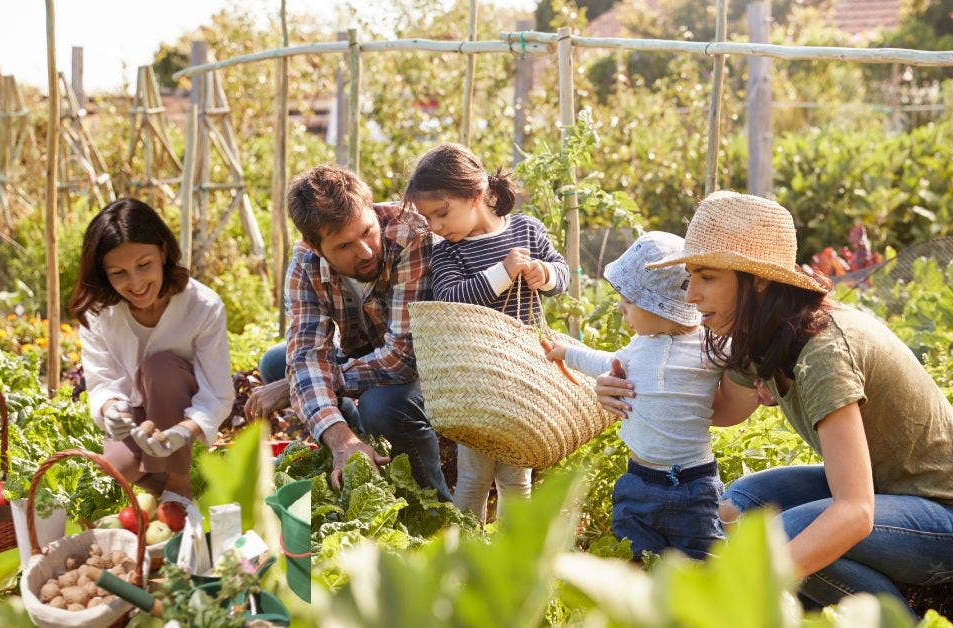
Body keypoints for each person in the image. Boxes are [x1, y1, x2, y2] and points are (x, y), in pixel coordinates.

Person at [598, 191, 953, 608]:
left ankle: (896, 619)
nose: (690, 296)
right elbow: (721, 411)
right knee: (741, 506)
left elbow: (854, 512)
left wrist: (741, 593)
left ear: (757, 279)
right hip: (890, 494)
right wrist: (629, 387)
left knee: (781, 539)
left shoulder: (824, 352)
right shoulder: (762, 336)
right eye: (690, 278)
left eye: (707, 277)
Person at [244, 165, 451, 501]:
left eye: (367, 232)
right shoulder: (305, 265)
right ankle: (358, 460)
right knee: (278, 362)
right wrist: (340, 437)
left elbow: (402, 358)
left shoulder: (409, 235)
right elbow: (307, 353)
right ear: (314, 246)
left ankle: (435, 504)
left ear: (373, 212)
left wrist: (306, 383)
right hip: (369, 354)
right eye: (344, 246)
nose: (366, 251)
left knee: (382, 405)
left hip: (423, 363)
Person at [405, 143, 569, 521]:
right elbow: (449, 299)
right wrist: (502, 272)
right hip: (476, 381)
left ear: (476, 195)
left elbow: (562, 274)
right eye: (428, 219)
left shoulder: (527, 230)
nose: (436, 227)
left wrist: (543, 275)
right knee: (474, 474)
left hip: (523, 373)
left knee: (517, 474)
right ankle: (466, 556)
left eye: (441, 213)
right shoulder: (447, 253)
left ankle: (514, 556)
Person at [546, 231, 726, 559]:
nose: (620, 308)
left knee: (704, 562)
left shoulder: (711, 348)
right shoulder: (636, 348)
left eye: (629, 301)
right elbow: (603, 361)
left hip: (695, 486)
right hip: (638, 481)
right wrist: (566, 353)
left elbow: (748, 358)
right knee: (634, 556)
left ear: (662, 307)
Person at [69, 198, 233, 508]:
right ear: (104, 274)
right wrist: (111, 409)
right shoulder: (98, 312)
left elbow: (218, 395)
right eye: (119, 273)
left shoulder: (202, 306)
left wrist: (183, 433)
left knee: (160, 367)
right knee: (118, 469)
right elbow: (102, 381)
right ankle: (172, 469)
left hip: (180, 410)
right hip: (137, 418)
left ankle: (179, 481)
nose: (136, 283)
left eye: (144, 265)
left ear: (163, 251)